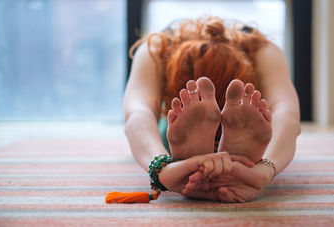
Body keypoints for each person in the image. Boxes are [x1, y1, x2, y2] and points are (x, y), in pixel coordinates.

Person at [123, 17, 301, 202]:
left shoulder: (154, 49)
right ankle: (224, 145)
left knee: (162, 128)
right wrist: (266, 167)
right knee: (171, 125)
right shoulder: (265, 50)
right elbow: (287, 113)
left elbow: (137, 114)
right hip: (218, 123)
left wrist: (161, 166)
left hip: (181, 127)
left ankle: (191, 153)